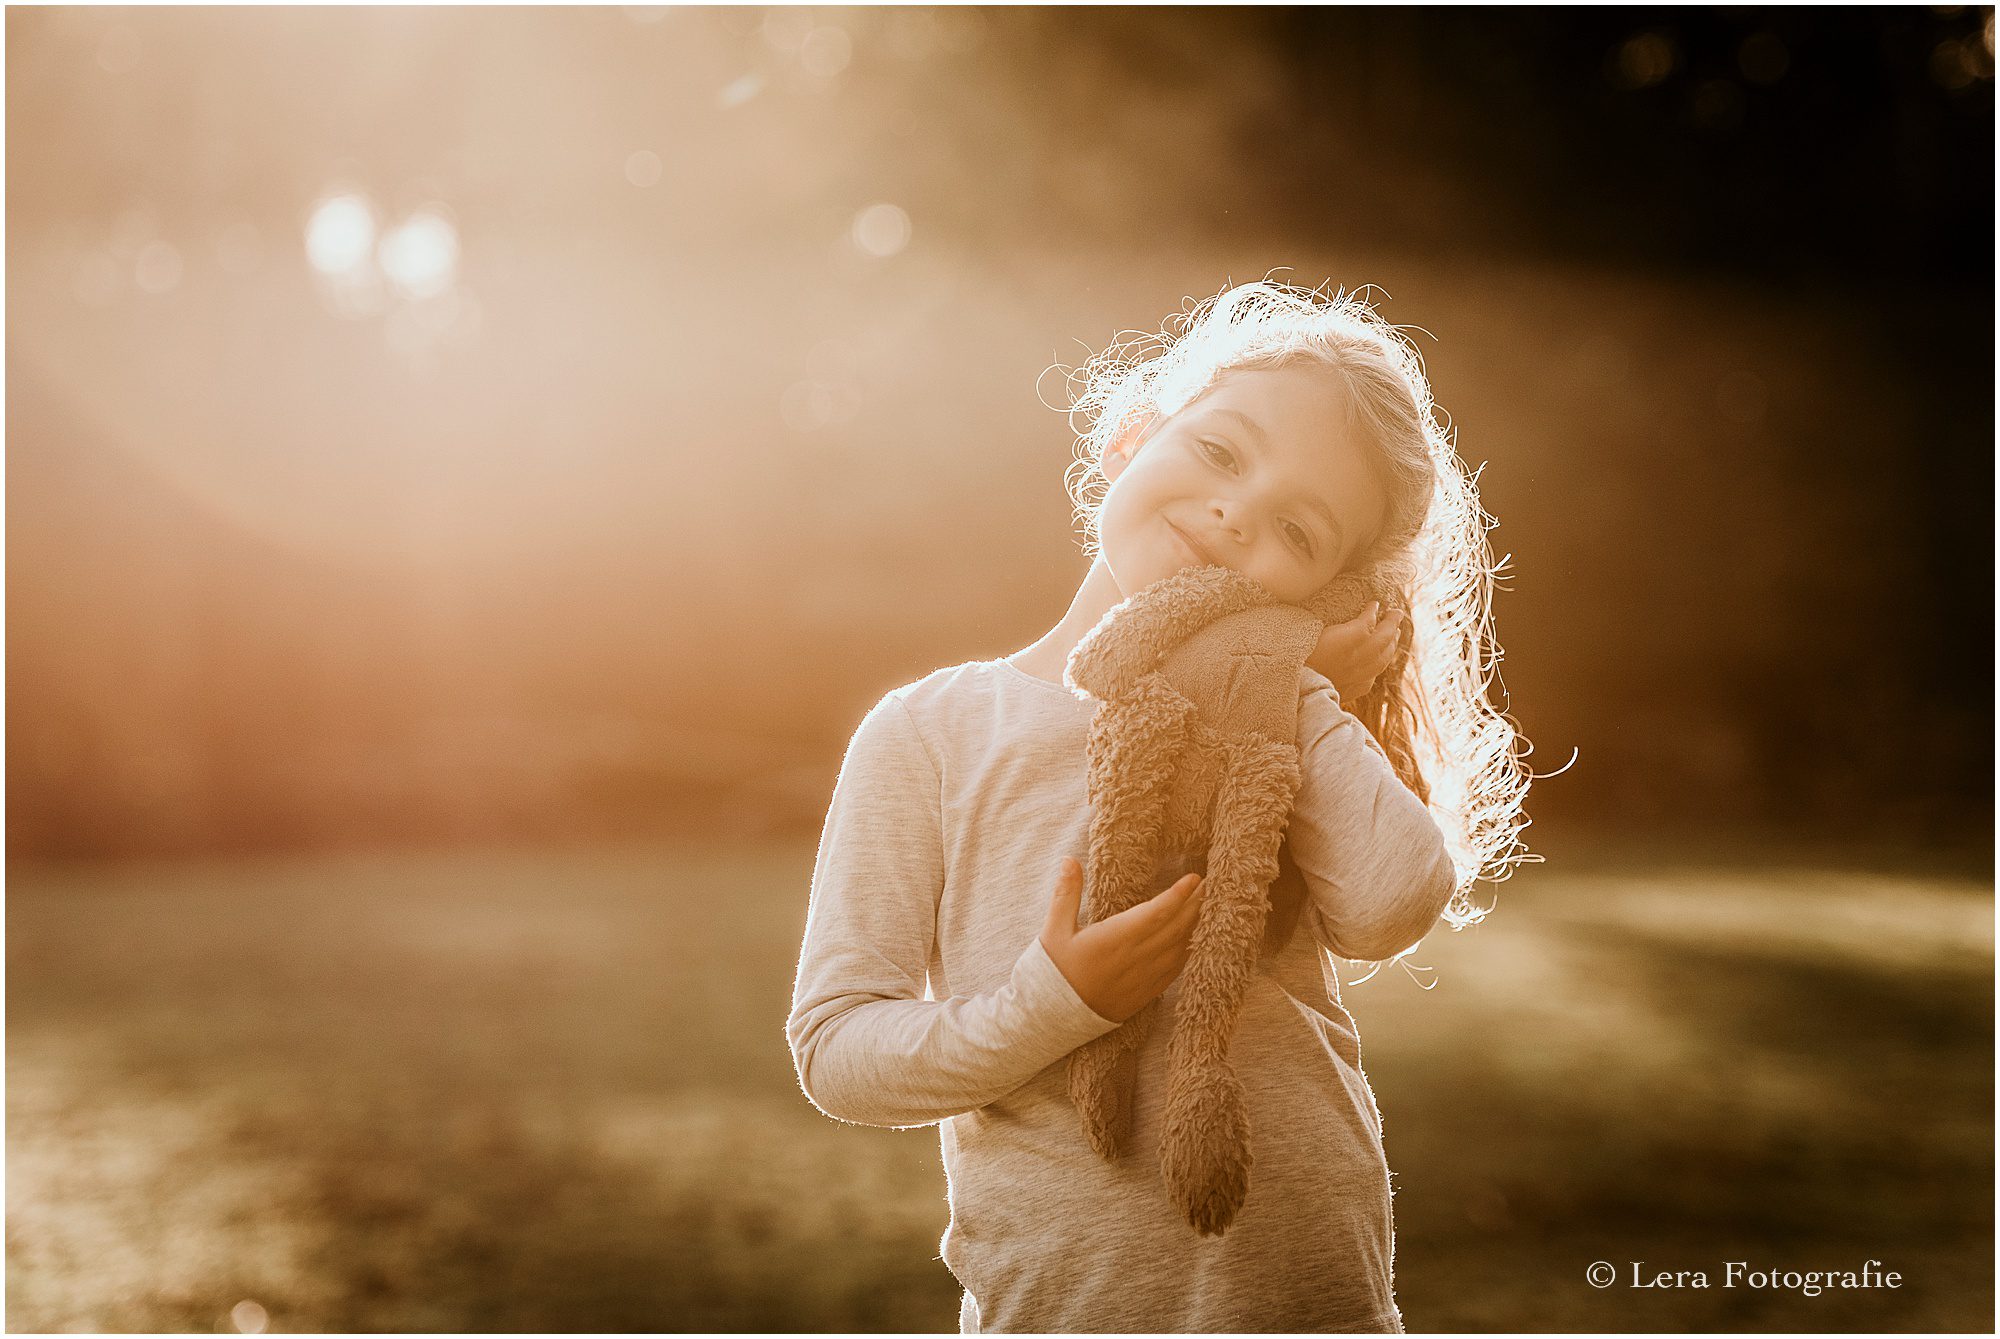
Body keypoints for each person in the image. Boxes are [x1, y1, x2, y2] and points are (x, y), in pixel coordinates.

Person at [786, 280, 1533, 1333]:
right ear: (1131, 436)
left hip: (1308, 1299)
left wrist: (1276, 671)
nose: (1237, 513)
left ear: (1326, 591)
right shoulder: (933, 732)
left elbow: (1392, 899)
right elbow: (836, 1048)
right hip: (1067, 1307)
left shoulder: (1281, 713)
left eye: (1297, 529)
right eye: (1221, 452)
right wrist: (1051, 1003)